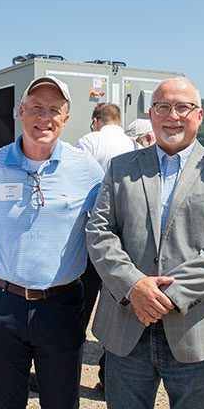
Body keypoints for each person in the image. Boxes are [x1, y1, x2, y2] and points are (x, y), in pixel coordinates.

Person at [86, 77, 204, 408]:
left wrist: (166, 296)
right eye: (163, 107)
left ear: (200, 115)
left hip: (197, 324)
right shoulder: (121, 168)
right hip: (127, 323)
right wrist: (134, 287)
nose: (172, 115)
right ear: (151, 114)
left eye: (182, 107)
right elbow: (99, 231)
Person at [0, 75, 103, 409]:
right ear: (20, 112)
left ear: (66, 118)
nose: (44, 117)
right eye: (36, 107)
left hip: (61, 305)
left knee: (61, 402)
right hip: (3, 305)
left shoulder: (87, 170)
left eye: (53, 109)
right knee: (5, 402)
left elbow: (108, 229)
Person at [74, 102, 135, 392]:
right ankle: (108, 378)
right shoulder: (133, 143)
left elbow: (75, 182)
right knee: (116, 313)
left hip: (92, 236)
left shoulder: (89, 141)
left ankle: (66, 374)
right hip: (124, 241)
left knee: (78, 311)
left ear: (96, 121)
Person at [76, 102, 135, 171]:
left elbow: (79, 174)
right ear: (119, 122)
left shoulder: (88, 141)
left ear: (95, 122)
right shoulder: (135, 145)